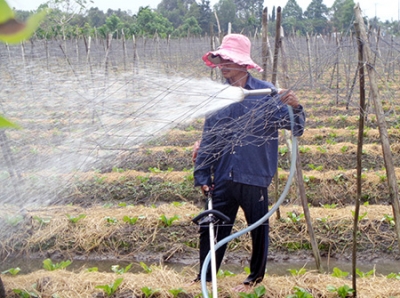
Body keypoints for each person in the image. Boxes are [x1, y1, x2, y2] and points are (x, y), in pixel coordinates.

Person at [192, 33, 305, 292]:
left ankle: (254, 279)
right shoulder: (218, 97)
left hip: (255, 174)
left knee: (259, 229)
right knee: (213, 226)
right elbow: (209, 138)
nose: (223, 67)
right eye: (220, 61)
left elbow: (295, 127)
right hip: (222, 175)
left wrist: (296, 107)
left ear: (242, 64)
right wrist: (202, 175)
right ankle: (205, 278)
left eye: (227, 61)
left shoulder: (266, 94)